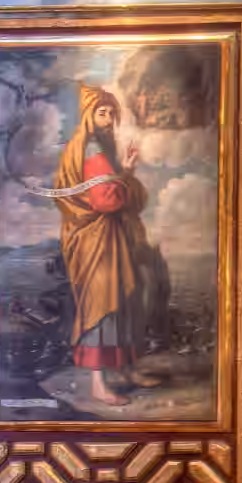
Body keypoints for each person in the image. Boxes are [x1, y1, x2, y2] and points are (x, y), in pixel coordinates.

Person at [49, 84, 159, 406]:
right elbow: (105, 200)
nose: (109, 118)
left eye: (112, 112)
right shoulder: (90, 148)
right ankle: (99, 384)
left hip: (110, 238)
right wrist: (124, 181)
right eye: (102, 112)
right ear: (89, 115)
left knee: (123, 302)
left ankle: (125, 369)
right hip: (94, 240)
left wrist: (124, 171)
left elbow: (111, 190)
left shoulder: (101, 147)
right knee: (103, 307)